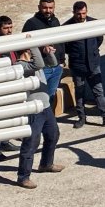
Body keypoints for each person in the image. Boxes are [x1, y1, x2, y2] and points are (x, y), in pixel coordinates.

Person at [63, 2, 105, 129]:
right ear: (73, 13)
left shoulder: (94, 23)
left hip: (93, 64)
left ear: (87, 11)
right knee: (79, 92)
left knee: (98, 91)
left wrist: (93, 52)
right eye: (78, 14)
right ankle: (82, 117)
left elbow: (99, 39)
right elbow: (65, 47)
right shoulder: (67, 27)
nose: (81, 16)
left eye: (83, 13)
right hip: (77, 65)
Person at [16, 46, 64, 189]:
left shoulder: (33, 63)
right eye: (31, 50)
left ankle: (46, 164)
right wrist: (34, 44)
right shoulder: (20, 66)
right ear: (27, 50)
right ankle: (23, 177)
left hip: (45, 106)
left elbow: (52, 64)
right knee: (31, 143)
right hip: (34, 109)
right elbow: (39, 64)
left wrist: (48, 53)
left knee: (53, 134)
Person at [0, 15, 21, 159]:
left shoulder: (11, 41)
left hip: (11, 84)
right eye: (5, 28)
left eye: (10, 27)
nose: (9, 30)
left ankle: (5, 141)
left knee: (9, 115)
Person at [22, 0, 64, 104]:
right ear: (39, 7)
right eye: (45, 8)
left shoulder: (55, 21)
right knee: (41, 98)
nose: (48, 11)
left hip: (57, 67)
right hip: (42, 69)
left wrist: (62, 61)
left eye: (51, 8)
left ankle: (50, 119)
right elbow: (25, 46)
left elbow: (61, 42)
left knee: (51, 95)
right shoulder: (31, 23)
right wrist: (41, 48)